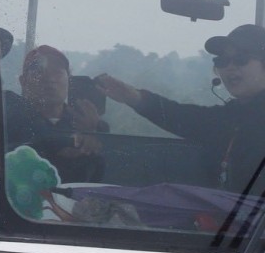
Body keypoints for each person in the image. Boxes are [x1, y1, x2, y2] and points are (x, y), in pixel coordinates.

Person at [95, 23, 265, 193]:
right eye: (222, 61)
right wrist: (134, 97)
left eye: (241, 59)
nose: (230, 67)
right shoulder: (232, 116)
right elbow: (182, 116)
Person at [3, 45, 105, 183]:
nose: (50, 79)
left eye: (57, 72)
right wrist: (55, 145)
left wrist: (94, 135)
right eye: (39, 72)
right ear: (23, 81)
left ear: (69, 80)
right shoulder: (6, 117)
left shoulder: (89, 125)